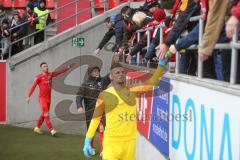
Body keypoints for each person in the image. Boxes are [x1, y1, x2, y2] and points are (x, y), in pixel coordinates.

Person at [83, 58, 168, 159]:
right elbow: (95, 118)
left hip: (130, 143)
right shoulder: (104, 95)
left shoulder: (133, 90)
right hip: (111, 143)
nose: (121, 74)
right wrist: (88, 140)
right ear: (111, 76)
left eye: (123, 72)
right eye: (117, 72)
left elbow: (152, 82)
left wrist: (161, 66)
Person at [26, 62, 75, 136]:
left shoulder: (50, 74)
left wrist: (68, 67)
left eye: (47, 66)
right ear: (41, 68)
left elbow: (59, 72)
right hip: (42, 99)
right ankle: (51, 130)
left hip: (49, 98)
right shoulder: (38, 77)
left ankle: (37, 127)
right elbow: (33, 86)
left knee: (44, 114)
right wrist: (28, 96)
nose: (46, 67)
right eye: (44, 66)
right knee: (46, 114)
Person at [76, 66, 111, 156]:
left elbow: (111, 74)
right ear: (90, 73)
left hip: (102, 110)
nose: (96, 72)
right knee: (90, 130)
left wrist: (116, 60)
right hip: (90, 111)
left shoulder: (103, 81)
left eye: (98, 71)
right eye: (94, 71)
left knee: (102, 129)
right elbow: (79, 96)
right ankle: (90, 148)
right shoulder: (85, 84)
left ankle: (104, 150)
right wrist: (79, 106)